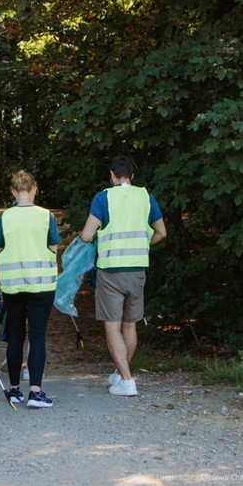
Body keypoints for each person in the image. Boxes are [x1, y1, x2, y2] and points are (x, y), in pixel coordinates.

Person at [80, 155, 166, 396]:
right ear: (132, 175)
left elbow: (87, 235)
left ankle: (127, 380)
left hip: (110, 272)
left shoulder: (103, 198)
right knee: (130, 326)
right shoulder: (145, 197)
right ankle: (121, 375)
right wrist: (144, 244)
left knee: (112, 327)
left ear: (112, 175)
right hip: (137, 270)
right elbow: (161, 231)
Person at [0, 170, 60, 409]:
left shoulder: (4, 218)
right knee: (37, 336)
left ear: (13, 191)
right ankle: (36, 392)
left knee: (16, 336)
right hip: (42, 284)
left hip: (13, 285)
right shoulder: (46, 216)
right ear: (34, 190)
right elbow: (53, 246)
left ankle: (15, 389)